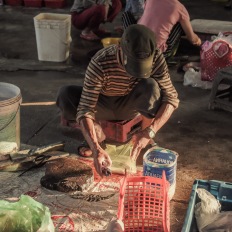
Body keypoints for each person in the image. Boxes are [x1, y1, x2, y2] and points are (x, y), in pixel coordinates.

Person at [56, 24, 179, 177]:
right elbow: (86, 108)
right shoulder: (100, 61)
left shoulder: (157, 59)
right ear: (119, 46)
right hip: (102, 105)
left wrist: (150, 131)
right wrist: (95, 148)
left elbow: (172, 98)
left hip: (129, 106)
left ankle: (142, 140)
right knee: (66, 94)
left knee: (151, 86)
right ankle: (96, 139)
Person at [137, 0, 202, 60]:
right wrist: (198, 41)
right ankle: (170, 54)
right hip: (156, 54)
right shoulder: (179, 8)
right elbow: (192, 39)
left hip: (135, 46)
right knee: (180, 23)